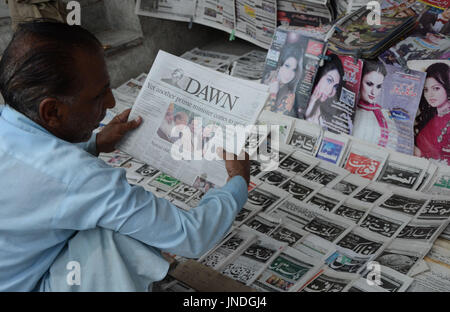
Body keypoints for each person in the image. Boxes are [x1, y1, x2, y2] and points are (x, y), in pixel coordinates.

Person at [0, 21, 250, 292]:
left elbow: (45, 178)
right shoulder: (80, 178)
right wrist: (237, 181)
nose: (110, 102)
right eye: (98, 95)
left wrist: (95, 143)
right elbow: (192, 235)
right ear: (52, 112)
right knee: (114, 236)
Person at [415, 63, 450, 165]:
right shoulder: (430, 117)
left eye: (436, 88)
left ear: (447, 87)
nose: (430, 94)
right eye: (426, 90)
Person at [352, 61, 390, 147]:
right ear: (359, 80)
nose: (373, 92)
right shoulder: (347, 107)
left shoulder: (385, 115)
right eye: (369, 84)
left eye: (378, 86)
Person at [262, 44, 303, 117]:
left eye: (294, 70)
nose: (289, 73)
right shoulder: (266, 78)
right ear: (280, 65)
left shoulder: (290, 95)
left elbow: (272, 120)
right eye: (287, 66)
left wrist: (273, 95)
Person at [303, 54, 344, 128]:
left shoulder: (329, 117)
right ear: (319, 76)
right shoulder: (300, 99)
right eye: (329, 80)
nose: (330, 91)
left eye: (335, 86)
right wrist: (312, 101)